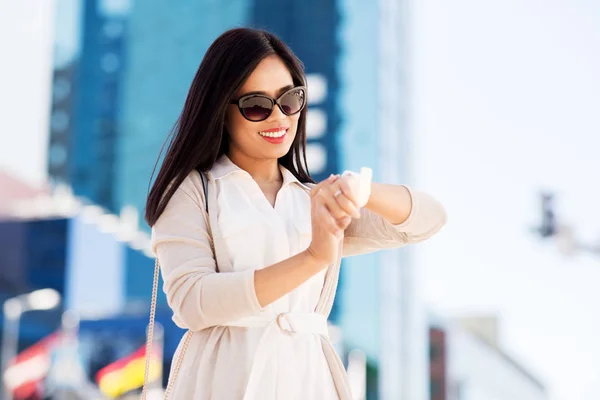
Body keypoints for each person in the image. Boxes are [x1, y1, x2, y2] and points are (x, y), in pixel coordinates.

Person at [145, 27, 447, 400]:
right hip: (223, 381)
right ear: (220, 110)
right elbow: (194, 301)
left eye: (290, 100)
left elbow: (428, 220)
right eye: (257, 105)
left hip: (308, 381)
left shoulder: (314, 200)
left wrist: (362, 190)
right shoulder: (193, 191)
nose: (280, 118)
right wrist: (313, 257)